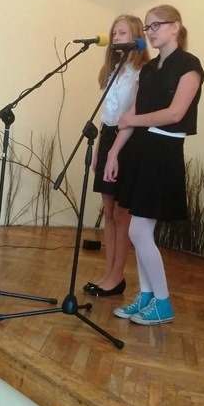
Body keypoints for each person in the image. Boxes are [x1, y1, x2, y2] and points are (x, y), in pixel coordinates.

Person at [104, 5, 204, 325]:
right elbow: (131, 115)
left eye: (156, 25)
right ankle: (147, 296)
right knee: (139, 230)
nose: (150, 32)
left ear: (175, 27)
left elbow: (175, 114)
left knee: (138, 230)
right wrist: (113, 153)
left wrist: (132, 120)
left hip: (164, 151)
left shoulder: (189, 66)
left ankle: (163, 302)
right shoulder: (148, 70)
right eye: (148, 27)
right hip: (142, 150)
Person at [84, 15, 150, 297]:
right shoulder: (113, 70)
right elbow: (107, 115)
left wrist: (114, 151)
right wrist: (100, 148)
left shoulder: (142, 72)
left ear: (136, 36)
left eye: (122, 33)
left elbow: (132, 116)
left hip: (130, 142)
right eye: (114, 33)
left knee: (122, 214)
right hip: (108, 136)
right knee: (108, 212)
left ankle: (118, 275)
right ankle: (108, 272)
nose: (116, 37)